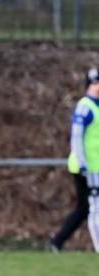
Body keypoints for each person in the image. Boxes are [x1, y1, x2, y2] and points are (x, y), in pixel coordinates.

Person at [49, 68, 99, 253]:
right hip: (88, 167)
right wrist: (81, 161)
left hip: (96, 166)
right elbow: (76, 136)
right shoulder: (86, 106)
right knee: (94, 207)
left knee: (84, 208)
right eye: (95, 83)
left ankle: (56, 242)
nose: (98, 87)